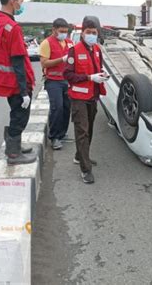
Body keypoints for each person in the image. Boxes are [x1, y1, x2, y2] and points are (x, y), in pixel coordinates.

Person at [0, 0, 36, 165]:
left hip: (1, 79)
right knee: (20, 115)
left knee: (15, 112)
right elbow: (18, 61)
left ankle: (16, 145)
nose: (22, 3)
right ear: (13, 1)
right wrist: (24, 91)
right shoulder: (12, 27)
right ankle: (13, 153)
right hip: (15, 81)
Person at [63, 19, 109, 184]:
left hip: (93, 97)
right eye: (88, 32)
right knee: (82, 131)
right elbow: (67, 75)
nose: (91, 35)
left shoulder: (97, 49)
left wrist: (102, 75)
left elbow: (98, 68)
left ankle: (80, 156)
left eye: (94, 33)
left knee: (88, 129)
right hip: (78, 98)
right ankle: (85, 168)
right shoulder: (74, 51)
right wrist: (89, 77)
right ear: (82, 33)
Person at [39, 18, 73, 150]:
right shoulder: (46, 43)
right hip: (53, 81)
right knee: (57, 108)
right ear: (54, 30)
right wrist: (61, 59)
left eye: (66, 31)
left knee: (66, 107)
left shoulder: (69, 43)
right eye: (61, 31)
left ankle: (62, 133)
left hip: (67, 80)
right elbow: (44, 63)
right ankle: (54, 137)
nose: (64, 34)